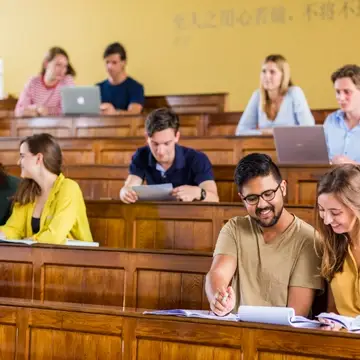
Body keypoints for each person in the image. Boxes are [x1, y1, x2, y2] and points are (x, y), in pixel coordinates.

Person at [205, 153, 322, 316]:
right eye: (252, 198)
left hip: (282, 335)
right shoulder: (234, 228)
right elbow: (217, 273)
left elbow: (296, 315)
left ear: (283, 188)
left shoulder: (309, 240)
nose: (262, 204)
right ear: (242, 198)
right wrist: (219, 298)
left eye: (268, 194)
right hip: (237, 331)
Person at [0, 133, 93, 244]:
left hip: (73, 259)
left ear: (39, 158)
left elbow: (54, 236)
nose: (18, 162)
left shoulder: (69, 188)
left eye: (22, 156)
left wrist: (29, 240)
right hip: (35, 259)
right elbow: (12, 228)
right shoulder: (27, 191)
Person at [120, 108, 219, 203]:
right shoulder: (141, 155)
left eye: (167, 143)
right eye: (155, 144)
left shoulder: (197, 159)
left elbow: (214, 198)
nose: (160, 152)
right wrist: (125, 192)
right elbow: (130, 185)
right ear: (147, 138)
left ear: (177, 137)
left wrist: (198, 193)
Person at [316, 164, 360, 318]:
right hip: (344, 338)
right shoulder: (334, 244)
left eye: (335, 212)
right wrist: (332, 322)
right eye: (322, 210)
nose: (327, 220)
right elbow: (333, 310)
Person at [235, 54, 314, 135]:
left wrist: (272, 132)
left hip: (292, 147)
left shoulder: (294, 93)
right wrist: (265, 133)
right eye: (264, 71)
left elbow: (309, 129)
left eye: (272, 72)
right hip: (264, 147)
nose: (267, 76)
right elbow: (241, 131)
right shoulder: (257, 95)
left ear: (283, 76)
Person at [15, 47, 75, 117]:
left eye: (65, 66)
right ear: (46, 64)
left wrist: (47, 110)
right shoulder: (33, 82)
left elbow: (69, 110)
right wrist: (37, 109)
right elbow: (19, 111)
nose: (62, 70)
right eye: (58, 65)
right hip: (36, 126)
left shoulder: (67, 81)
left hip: (60, 126)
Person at [323, 65, 360, 165]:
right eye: (338, 92)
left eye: (347, 92)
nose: (341, 98)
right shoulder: (331, 120)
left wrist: (353, 165)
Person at [97, 42, 144, 115]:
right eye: (107, 62)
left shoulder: (135, 87)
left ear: (124, 63)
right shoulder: (98, 88)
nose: (110, 67)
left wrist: (114, 113)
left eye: (114, 62)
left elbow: (134, 113)